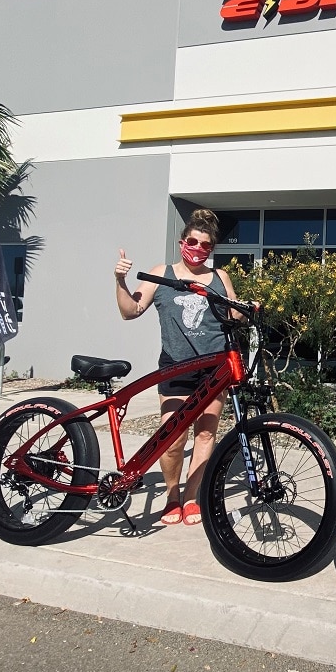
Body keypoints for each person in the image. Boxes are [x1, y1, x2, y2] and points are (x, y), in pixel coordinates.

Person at [114, 208, 240, 526]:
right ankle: (172, 494)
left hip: (214, 368)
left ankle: (191, 497)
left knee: (206, 435)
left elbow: (231, 316)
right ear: (182, 241)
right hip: (176, 368)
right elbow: (131, 311)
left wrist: (246, 309)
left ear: (211, 249)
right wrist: (120, 280)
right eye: (193, 242)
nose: (198, 249)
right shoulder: (162, 274)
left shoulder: (220, 278)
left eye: (206, 245)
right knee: (172, 441)